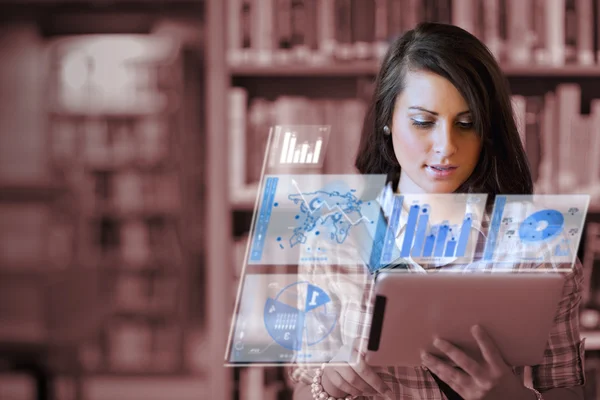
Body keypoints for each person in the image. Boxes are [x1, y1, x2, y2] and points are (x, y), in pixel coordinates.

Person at [289, 22, 586, 400]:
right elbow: (303, 388)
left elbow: (567, 391)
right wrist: (328, 382)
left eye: (467, 124)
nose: (445, 147)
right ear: (386, 120)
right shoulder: (334, 236)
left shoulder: (542, 247)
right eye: (423, 122)